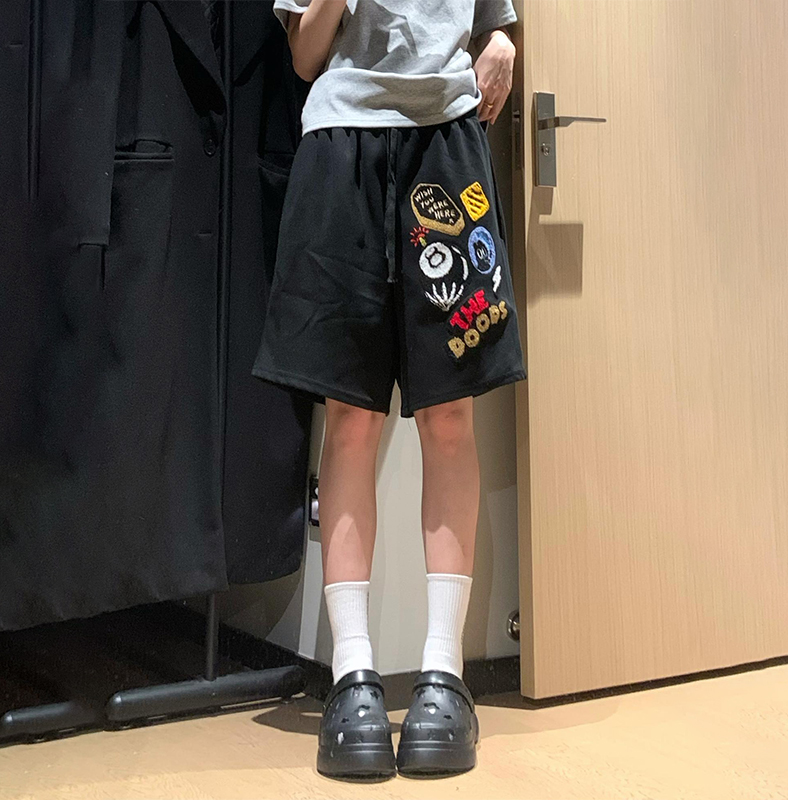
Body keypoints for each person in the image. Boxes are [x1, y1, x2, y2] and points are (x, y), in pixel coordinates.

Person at [253, 0, 526, 780]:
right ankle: (353, 673)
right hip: (342, 144)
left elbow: (492, 22)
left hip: (448, 145)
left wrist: (502, 41)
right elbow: (305, 55)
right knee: (351, 416)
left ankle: (444, 672)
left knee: (449, 412)